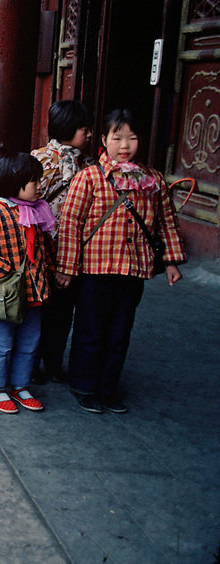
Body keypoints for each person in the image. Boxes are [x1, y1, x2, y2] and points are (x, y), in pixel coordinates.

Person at [55, 108, 185, 414]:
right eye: (117, 137)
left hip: (133, 270)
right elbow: (71, 223)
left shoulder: (152, 180)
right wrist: (67, 268)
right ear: (104, 139)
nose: (124, 145)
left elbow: (166, 222)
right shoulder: (90, 177)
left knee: (120, 330)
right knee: (91, 328)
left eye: (132, 138)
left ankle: (108, 387)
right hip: (95, 270)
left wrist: (171, 262)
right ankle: (84, 384)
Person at [0, 153, 54, 413]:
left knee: (29, 342)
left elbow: (44, 249)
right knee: (0, 344)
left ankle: (20, 385)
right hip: (2, 294)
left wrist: (48, 272)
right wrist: (5, 269)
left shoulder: (39, 210)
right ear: (14, 182)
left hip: (34, 290)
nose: (39, 186)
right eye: (33, 181)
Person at [29, 100, 92, 384]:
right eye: (83, 128)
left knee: (64, 310)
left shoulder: (88, 163)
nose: (89, 134)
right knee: (40, 308)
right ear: (67, 127)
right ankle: (33, 362)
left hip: (74, 248)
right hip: (44, 245)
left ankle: (53, 361)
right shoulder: (42, 159)